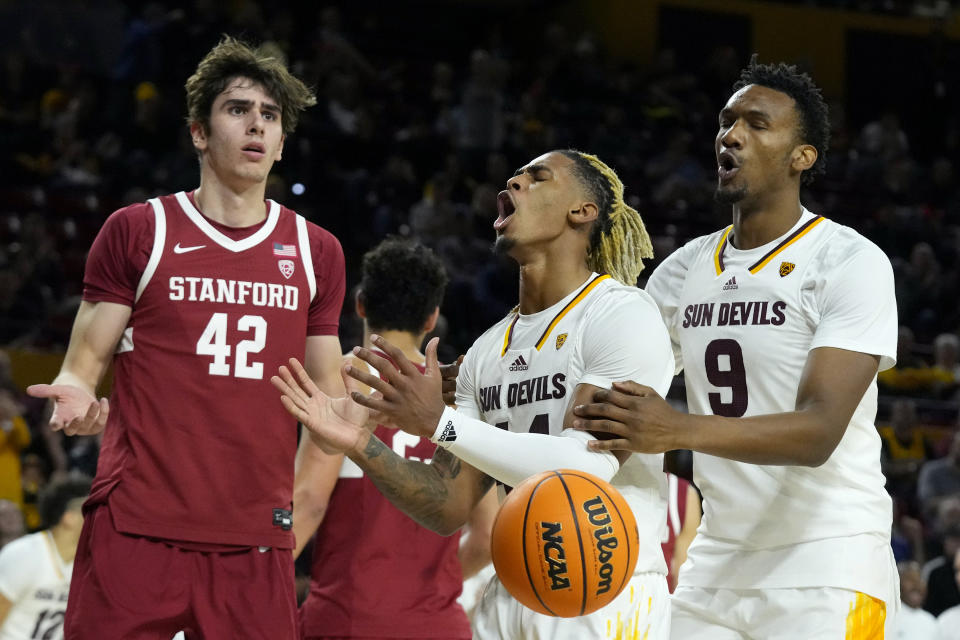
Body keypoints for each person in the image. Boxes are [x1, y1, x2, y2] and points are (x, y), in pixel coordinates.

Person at [274, 149, 677, 639]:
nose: (515, 180)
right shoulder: (487, 352)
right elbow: (448, 504)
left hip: (605, 590)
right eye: (517, 175)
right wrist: (362, 445)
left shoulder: (621, 313)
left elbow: (585, 468)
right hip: (513, 589)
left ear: (582, 211)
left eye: (538, 177)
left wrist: (439, 423)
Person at [25, 37, 347, 639]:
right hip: (136, 525)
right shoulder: (138, 230)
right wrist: (74, 393)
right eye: (238, 109)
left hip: (254, 536)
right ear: (199, 132)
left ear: (281, 143)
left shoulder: (316, 251)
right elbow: (82, 363)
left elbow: (328, 404)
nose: (256, 125)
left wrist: (296, 513)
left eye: (270, 116)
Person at [572, 58, 899, 637]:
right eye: (726, 121)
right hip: (715, 568)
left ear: (803, 157)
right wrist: (479, 385)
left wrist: (676, 430)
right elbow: (604, 380)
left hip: (831, 562)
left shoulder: (849, 261)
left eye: (756, 123)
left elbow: (819, 430)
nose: (731, 134)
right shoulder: (682, 271)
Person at [292, 238, 493, 639]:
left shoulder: (337, 384)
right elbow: (489, 536)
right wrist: (430, 583)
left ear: (361, 304)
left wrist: (252, 587)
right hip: (436, 624)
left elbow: (309, 504)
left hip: (344, 622)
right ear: (431, 319)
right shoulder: (461, 396)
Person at [0, 473, 90, 640]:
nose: (97, 518)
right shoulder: (23, 554)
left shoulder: (89, 563)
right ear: (68, 517)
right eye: (89, 511)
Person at [892, 561, 937, 639]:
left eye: (919, 580)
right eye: (910, 580)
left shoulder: (931, 621)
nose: (916, 585)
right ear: (897, 584)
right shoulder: (888, 619)